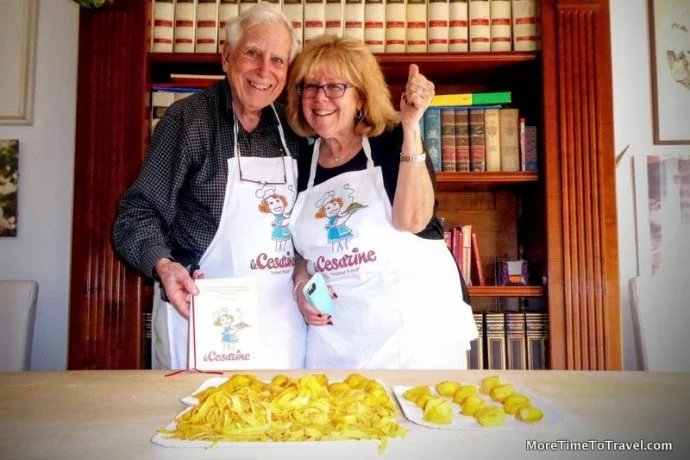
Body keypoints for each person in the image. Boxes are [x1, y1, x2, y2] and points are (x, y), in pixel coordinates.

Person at [112, 5, 306, 370]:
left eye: (277, 60)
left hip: (280, 327)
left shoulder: (294, 130)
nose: (265, 71)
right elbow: (137, 214)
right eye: (252, 53)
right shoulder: (188, 120)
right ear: (227, 56)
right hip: (203, 316)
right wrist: (165, 267)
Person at [286, 35, 478, 369]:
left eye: (335, 87)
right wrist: (301, 286)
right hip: (337, 339)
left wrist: (411, 126)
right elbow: (301, 252)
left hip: (412, 336)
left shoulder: (392, 142)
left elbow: (413, 220)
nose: (320, 97)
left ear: (360, 95)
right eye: (310, 86)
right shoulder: (301, 160)